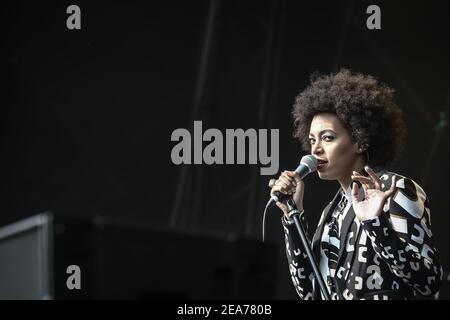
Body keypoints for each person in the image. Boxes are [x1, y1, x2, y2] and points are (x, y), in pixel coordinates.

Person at [270, 69, 443, 300]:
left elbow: (429, 280)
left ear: (360, 141)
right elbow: (308, 290)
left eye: (328, 137)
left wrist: (375, 224)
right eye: (312, 140)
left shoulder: (394, 189)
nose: (316, 149)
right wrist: (293, 216)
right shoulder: (331, 212)